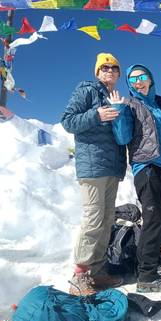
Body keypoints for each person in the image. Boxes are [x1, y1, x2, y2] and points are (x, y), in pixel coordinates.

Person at [110, 64, 161, 293]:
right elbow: (122, 138)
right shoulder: (129, 104)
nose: (138, 82)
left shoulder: (160, 102)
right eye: (132, 80)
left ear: (150, 78)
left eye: (142, 77)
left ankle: (154, 262)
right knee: (153, 219)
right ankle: (146, 276)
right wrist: (118, 112)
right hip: (147, 167)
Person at [61, 53, 126, 295]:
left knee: (107, 220)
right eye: (104, 67)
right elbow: (67, 121)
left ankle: (97, 273)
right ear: (97, 72)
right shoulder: (86, 90)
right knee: (94, 219)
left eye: (114, 67)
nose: (109, 70)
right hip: (92, 166)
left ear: (118, 74)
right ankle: (79, 276)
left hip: (112, 167)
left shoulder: (115, 97)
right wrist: (96, 115)